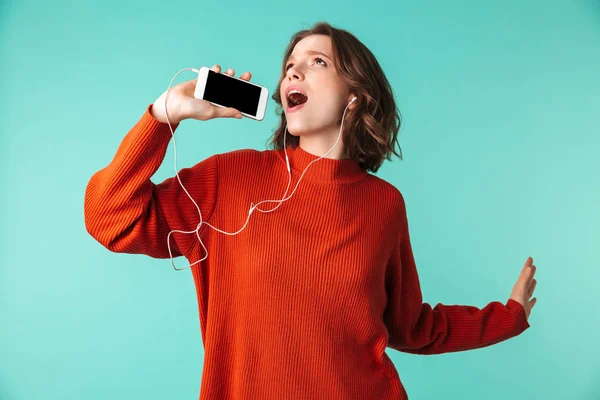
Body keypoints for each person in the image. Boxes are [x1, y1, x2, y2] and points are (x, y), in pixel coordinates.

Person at [84, 21, 537, 400]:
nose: (293, 74)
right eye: (289, 67)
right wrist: (163, 116)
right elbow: (109, 218)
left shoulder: (384, 204)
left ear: (354, 94)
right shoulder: (229, 179)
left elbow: (411, 326)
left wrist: (507, 316)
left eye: (316, 62)